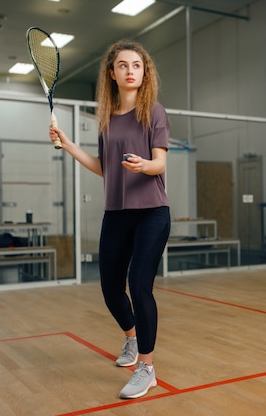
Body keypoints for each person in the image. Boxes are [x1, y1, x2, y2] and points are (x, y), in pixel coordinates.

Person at [49, 40, 170, 399]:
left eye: (136, 65)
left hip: (152, 212)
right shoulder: (106, 118)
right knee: (109, 288)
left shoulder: (155, 112)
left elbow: (161, 163)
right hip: (116, 214)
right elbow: (105, 168)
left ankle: (147, 368)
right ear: (112, 73)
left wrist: (144, 165)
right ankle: (131, 339)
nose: (130, 70)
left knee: (140, 284)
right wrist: (69, 145)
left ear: (144, 72)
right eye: (122, 65)